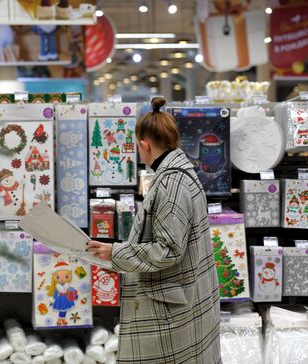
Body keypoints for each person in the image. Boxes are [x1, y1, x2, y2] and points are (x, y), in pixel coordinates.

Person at [87, 97, 221, 363]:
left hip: (170, 311)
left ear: (144, 145)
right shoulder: (179, 173)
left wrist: (115, 253)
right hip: (179, 300)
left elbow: (168, 249)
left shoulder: (171, 184)